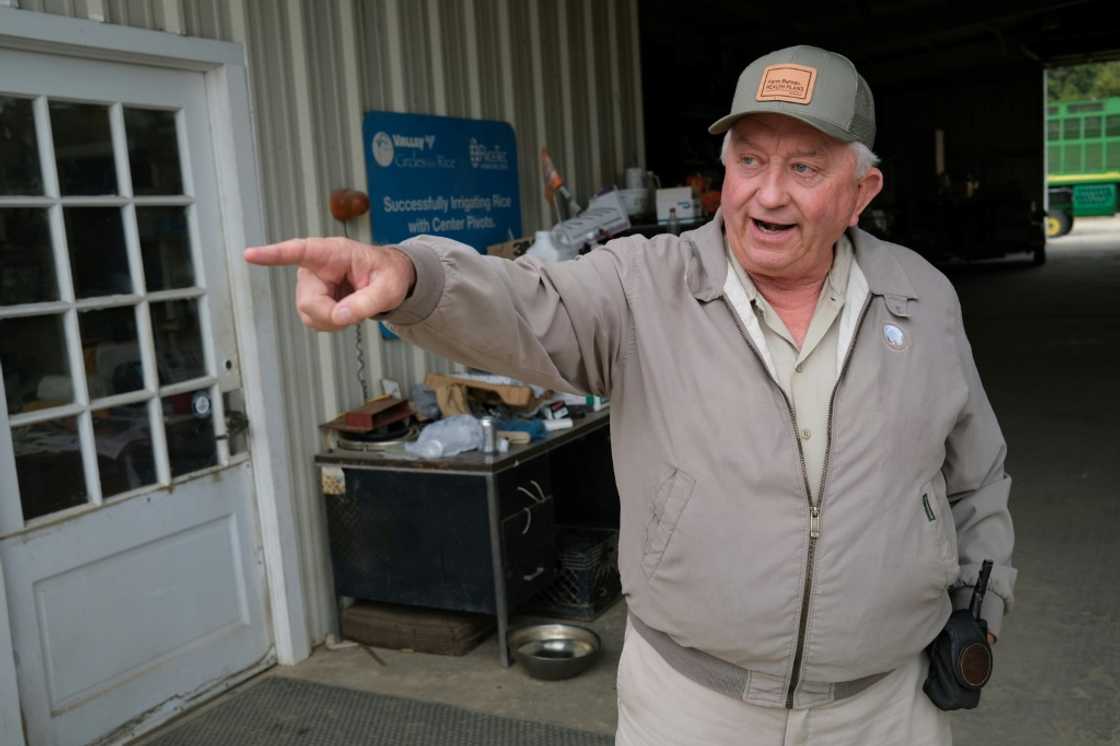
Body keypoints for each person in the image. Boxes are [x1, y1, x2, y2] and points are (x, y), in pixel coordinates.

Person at [245, 44, 1015, 746]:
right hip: (692, 707)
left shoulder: (922, 298)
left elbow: (975, 477)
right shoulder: (645, 282)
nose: (767, 195)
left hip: (882, 711)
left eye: (806, 169)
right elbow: (526, 303)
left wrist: (981, 610)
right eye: (749, 161)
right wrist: (410, 278)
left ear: (861, 190)